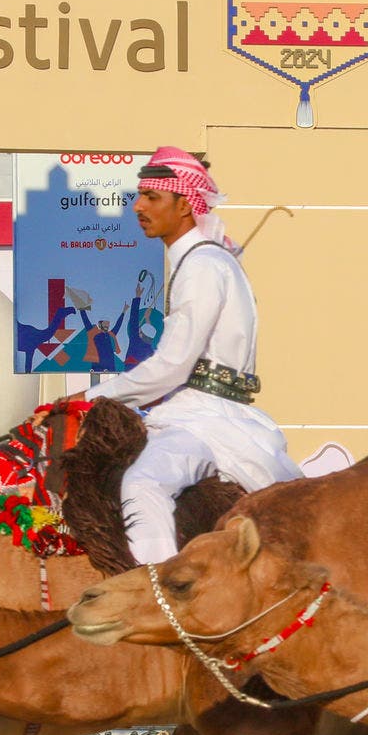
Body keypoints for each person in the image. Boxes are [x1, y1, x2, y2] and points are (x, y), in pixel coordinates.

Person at [66, 147, 300, 562]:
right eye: (139, 195)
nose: (138, 206)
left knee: (142, 484)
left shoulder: (203, 266)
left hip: (206, 419)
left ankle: (154, 593)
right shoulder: (204, 261)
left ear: (186, 205)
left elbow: (172, 366)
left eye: (152, 197)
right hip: (206, 412)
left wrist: (90, 399)